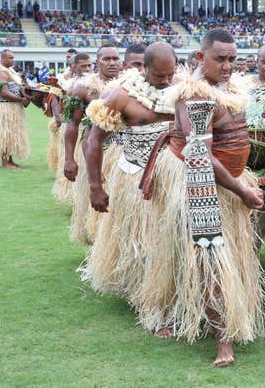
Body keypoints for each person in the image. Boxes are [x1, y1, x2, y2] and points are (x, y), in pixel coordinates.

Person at [136, 28, 265, 366]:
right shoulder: (195, 96)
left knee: (226, 257)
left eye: (232, 59)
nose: (227, 66)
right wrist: (241, 189)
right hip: (199, 181)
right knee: (212, 260)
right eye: (220, 59)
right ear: (201, 57)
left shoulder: (230, 89)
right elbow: (200, 155)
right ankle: (223, 341)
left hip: (229, 181)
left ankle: (221, 321)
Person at [81, 43, 177, 321]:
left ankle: (168, 294)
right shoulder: (120, 95)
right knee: (143, 244)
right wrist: (96, 186)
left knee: (168, 242)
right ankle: (149, 304)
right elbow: (93, 141)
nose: (166, 81)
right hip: (135, 179)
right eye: (159, 76)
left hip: (173, 179)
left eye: (170, 74)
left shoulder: (181, 91)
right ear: (143, 68)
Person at [64, 44, 121, 245]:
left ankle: (113, 248)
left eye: (115, 58)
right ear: (97, 62)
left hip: (121, 155)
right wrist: (69, 158)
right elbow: (72, 124)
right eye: (107, 59)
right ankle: (95, 247)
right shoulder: (83, 88)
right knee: (95, 207)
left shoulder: (130, 86)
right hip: (91, 153)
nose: (112, 63)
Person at [52, 53, 92, 204]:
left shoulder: (94, 83)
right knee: (72, 162)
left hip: (88, 132)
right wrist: (58, 116)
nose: (87, 69)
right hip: (73, 128)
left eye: (89, 65)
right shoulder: (66, 84)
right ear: (74, 66)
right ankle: (71, 195)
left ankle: (81, 197)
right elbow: (54, 99)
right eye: (83, 66)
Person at [0, 49, 30, 168]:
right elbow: (4, 93)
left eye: (13, 57)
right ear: (3, 59)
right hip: (4, 107)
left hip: (12, 107)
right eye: (10, 58)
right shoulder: (0, 72)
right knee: (5, 134)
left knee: (11, 134)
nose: (13, 60)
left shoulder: (10, 71)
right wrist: (21, 100)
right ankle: (5, 161)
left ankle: (10, 160)